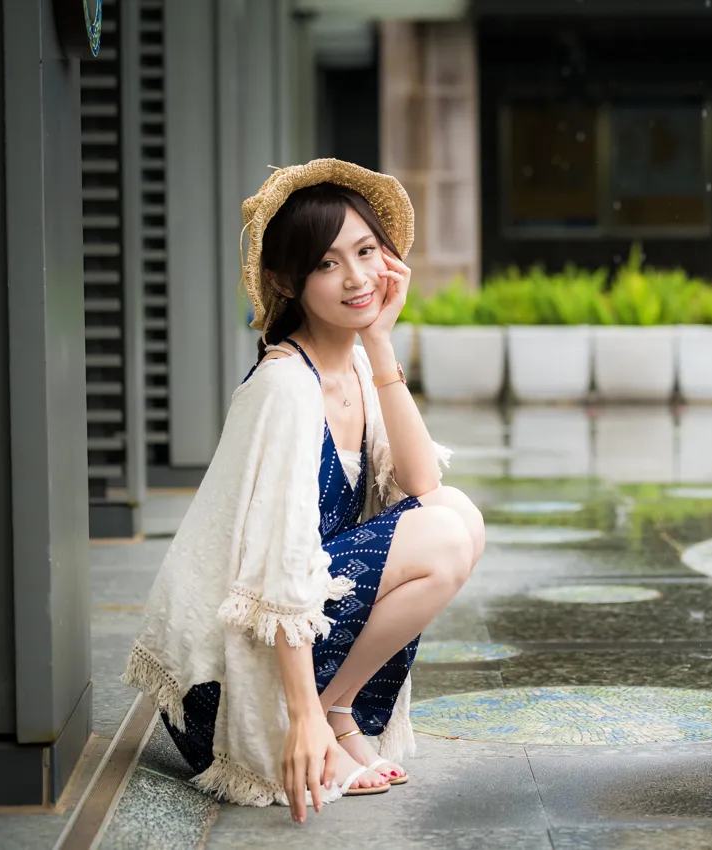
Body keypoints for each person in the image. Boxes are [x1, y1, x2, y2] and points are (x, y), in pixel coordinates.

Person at [122, 159, 484, 823]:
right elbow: (277, 566)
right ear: (289, 281)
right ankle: (317, 722)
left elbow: (421, 484)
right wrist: (295, 720)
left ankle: (333, 709)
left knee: (456, 513)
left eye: (367, 251)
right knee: (441, 529)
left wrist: (380, 345)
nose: (356, 278)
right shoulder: (287, 386)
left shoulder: (348, 360)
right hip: (233, 690)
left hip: (300, 632)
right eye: (326, 264)